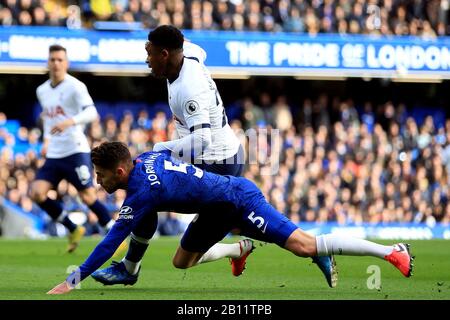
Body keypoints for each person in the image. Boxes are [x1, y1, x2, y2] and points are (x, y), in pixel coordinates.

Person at [47, 142, 414, 294]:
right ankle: (239, 249)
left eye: (102, 174)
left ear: (122, 171)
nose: (98, 180)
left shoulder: (144, 193)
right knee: (181, 261)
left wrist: (75, 279)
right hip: (215, 207)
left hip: (238, 199)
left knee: (303, 244)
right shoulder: (147, 156)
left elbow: (112, 239)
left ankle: (391, 251)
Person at [92, 25, 255, 285]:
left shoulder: (189, 88)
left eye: (149, 53)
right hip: (217, 157)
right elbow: (196, 48)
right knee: (152, 202)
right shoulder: (187, 54)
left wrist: (162, 148)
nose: (146, 60)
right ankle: (130, 269)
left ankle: (312, 245)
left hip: (219, 164)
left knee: (181, 250)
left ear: (165, 54)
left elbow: (203, 140)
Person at [30, 44, 116, 253]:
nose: (56, 63)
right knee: (36, 193)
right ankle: (72, 227)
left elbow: (91, 113)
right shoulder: (42, 91)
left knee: (87, 196)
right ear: (48, 63)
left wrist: (70, 122)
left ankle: (115, 235)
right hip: (54, 153)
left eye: (60, 60)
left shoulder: (75, 86)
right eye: (53, 59)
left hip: (75, 150)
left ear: (66, 63)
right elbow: (49, 121)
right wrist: (47, 140)